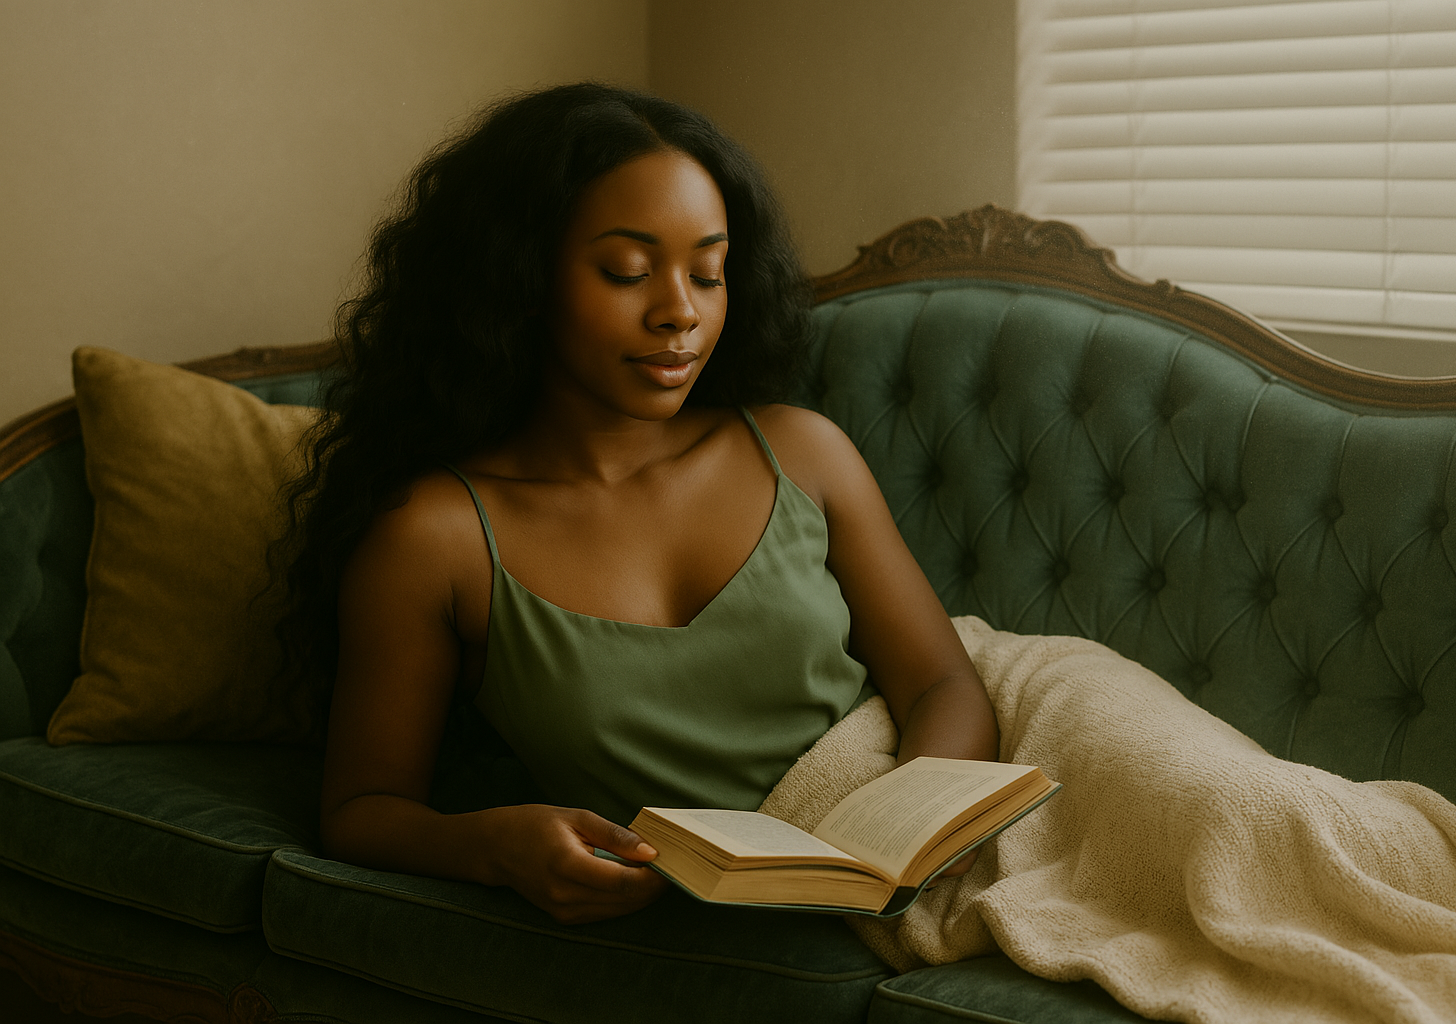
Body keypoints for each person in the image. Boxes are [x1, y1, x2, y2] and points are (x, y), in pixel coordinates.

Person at [280, 83, 998, 925]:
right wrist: (497, 846)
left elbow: (946, 681)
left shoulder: (801, 451)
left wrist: (913, 835)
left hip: (933, 797)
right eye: (627, 271)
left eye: (708, 272)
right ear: (519, 276)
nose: (680, 312)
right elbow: (362, 809)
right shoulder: (433, 538)